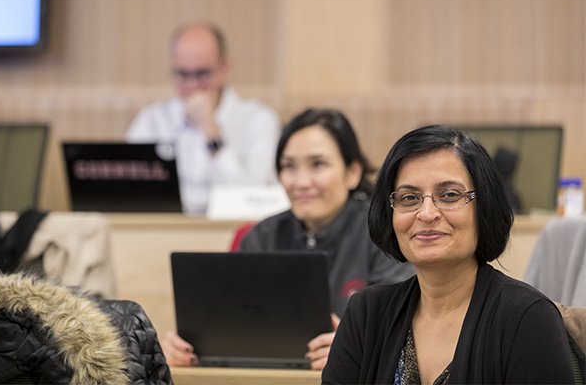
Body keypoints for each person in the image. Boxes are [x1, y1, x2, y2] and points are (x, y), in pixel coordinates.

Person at [161, 109, 415, 370]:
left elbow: (404, 337)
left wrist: (355, 348)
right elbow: (232, 334)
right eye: (288, 166)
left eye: (318, 164)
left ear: (352, 172)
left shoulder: (385, 235)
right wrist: (193, 349)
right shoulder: (261, 237)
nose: (301, 182)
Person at [322, 124, 575, 384]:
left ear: (483, 207)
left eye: (450, 195)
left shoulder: (528, 318)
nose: (427, 213)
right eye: (409, 198)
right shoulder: (366, 314)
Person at [126, 22, 281, 214]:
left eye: (202, 74)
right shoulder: (151, 120)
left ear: (224, 68)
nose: (192, 86)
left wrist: (210, 129)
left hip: (229, 231)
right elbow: (130, 194)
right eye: (182, 74)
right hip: (166, 229)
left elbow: (251, 199)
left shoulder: (258, 120)